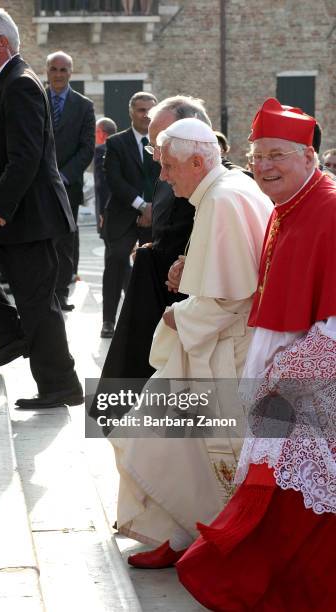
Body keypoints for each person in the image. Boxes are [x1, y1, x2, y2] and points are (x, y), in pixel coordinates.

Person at [177, 98, 336, 610]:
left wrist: (283, 373)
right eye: (258, 155)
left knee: (292, 503)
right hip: (281, 377)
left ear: (308, 158)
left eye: (277, 156)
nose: (263, 166)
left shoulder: (329, 210)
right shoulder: (287, 205)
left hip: (309, 383)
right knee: (276, 495)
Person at [110, 117, 272, 568]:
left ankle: (193, 537)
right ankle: (176, 534)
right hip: (215, 344)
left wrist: (175, 313)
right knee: (159, 440)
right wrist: (191, 265)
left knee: (161, 441)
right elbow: (229, 265)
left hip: (223, 348)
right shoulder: (226, 190)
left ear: (198, 161)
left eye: (167, 167)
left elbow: (229, 295)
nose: (161, 176)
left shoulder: (222, 199)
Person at [0, 7, 83, 410]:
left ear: (1, 43)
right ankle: (10, 335)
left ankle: (61, 385)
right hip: (0, 215)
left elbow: (25, 156)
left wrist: (0, 206)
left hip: (25, 217)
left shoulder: (20, 84)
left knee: (38, 303)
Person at [89, 96, 211, 420]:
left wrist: (183, 260)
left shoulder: (219, 189)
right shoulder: (166, 169)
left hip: (185, 297)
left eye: (162, 146)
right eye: (154, 147)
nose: (157, 158)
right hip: (158, 279)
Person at [101, 91, 159, 338]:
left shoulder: (164, 143)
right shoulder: (115, 143)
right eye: (141, 110)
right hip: (123, 213)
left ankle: (150, 321)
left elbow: (168, 177)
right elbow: (114, 179)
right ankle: (108, 321)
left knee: (152, 267)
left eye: (150, 110)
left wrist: (153, 207)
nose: (146, 115)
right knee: (116, 260)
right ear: (131, 112)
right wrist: (141, 205)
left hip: (156, 214)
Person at [46, 51, 95, 310]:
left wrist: (63, 176)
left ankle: (61, 292)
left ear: (70, 73)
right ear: (47, 72)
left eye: (63, 69)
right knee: (41, 237)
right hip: (38, 184)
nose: (58, 74)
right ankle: (42, 291)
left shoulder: (84, 106)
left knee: (64, 239)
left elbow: (87, 148)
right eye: (53, 69)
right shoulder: (35, 100)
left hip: (68, 184)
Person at [94, 116, 117, 236]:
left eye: (95, 132)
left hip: (107, 209)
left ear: (101, 133)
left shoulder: (100, 151)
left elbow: (101, 184)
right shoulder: (121, 148)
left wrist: (102, 212)